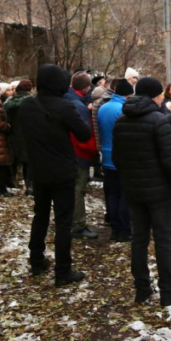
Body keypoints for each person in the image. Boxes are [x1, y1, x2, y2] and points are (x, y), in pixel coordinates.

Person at [112, 77, 171, 306]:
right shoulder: (160, 121)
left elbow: (117, 158)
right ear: (155, 96)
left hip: (133, 189)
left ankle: (142, 288)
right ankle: (167, 291)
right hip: (159, 191)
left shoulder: (121, 121)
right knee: (163, 240)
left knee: (139, 239)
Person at [20, 64, 92, 287]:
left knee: (40, 215)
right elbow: (84, 133)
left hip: (38, 169)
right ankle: (63, 271)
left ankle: (36, 260)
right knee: (63, 222)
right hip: (62, 171)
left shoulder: (26, 105)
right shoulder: (65, 106)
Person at [98, 78, 135, 242]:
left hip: (106, 156)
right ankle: (124, 229)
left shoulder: (103, 108)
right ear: (128, 94)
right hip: (122, 157)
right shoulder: (123, 109)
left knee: (111, 194)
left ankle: (114, 228)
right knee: (124, 195)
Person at [64, 72, 99, 240]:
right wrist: (93, 151)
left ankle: (70, 220)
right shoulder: (77, 106)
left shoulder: (68, 99)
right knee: (78, 189)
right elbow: (84, 135)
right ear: (86, 87)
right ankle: (78, 224)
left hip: (67, 154)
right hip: (78, 155)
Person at [4, 79, 34, 195]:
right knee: (28, 161)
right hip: (28, 133)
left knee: (14, 159)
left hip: (13, 132)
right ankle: (29, 186)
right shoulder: (32, 101)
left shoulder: (8, 102)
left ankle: (11, 182)